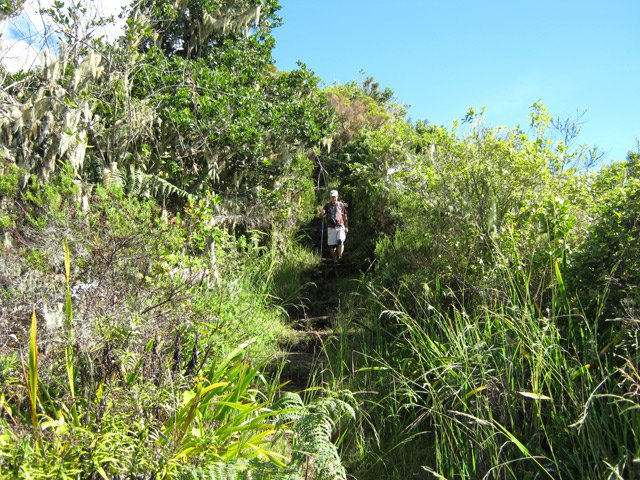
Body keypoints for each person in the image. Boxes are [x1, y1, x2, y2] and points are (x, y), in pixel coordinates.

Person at [322, 190, 348, 262]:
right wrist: (322, 212)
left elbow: (345, 216)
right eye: (332, 197)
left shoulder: (341, 205)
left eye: (335, 197)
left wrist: (346, 227)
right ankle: (335, 259)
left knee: (340, 241)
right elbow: (322, 214)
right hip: (331, 228)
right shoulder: (327, 205)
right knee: (332, 247)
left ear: (337, 197)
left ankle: (340, 257)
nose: (334, 198)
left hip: (340, 226)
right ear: (330, 197)